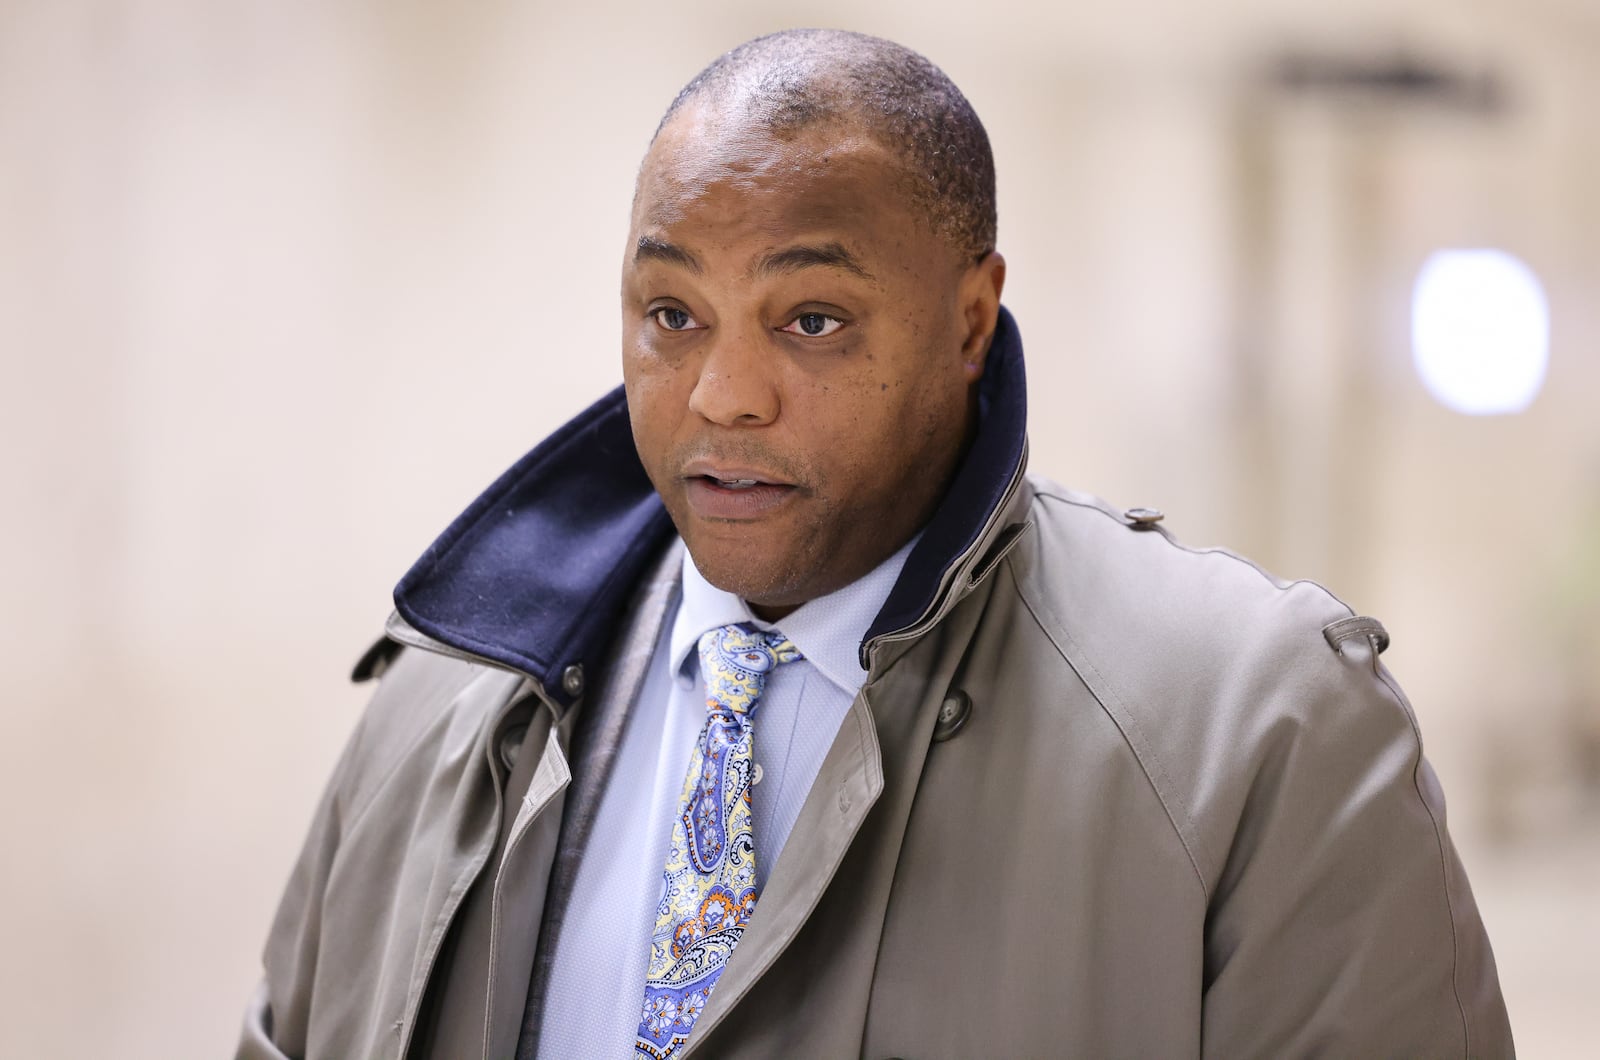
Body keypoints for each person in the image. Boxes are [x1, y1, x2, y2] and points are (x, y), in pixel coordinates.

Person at [237, 28, 1514, 1060]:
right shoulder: (443, 705)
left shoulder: (1255, 733)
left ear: (969, 320)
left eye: (811, 320)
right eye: (670, 312)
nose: (722, 392)